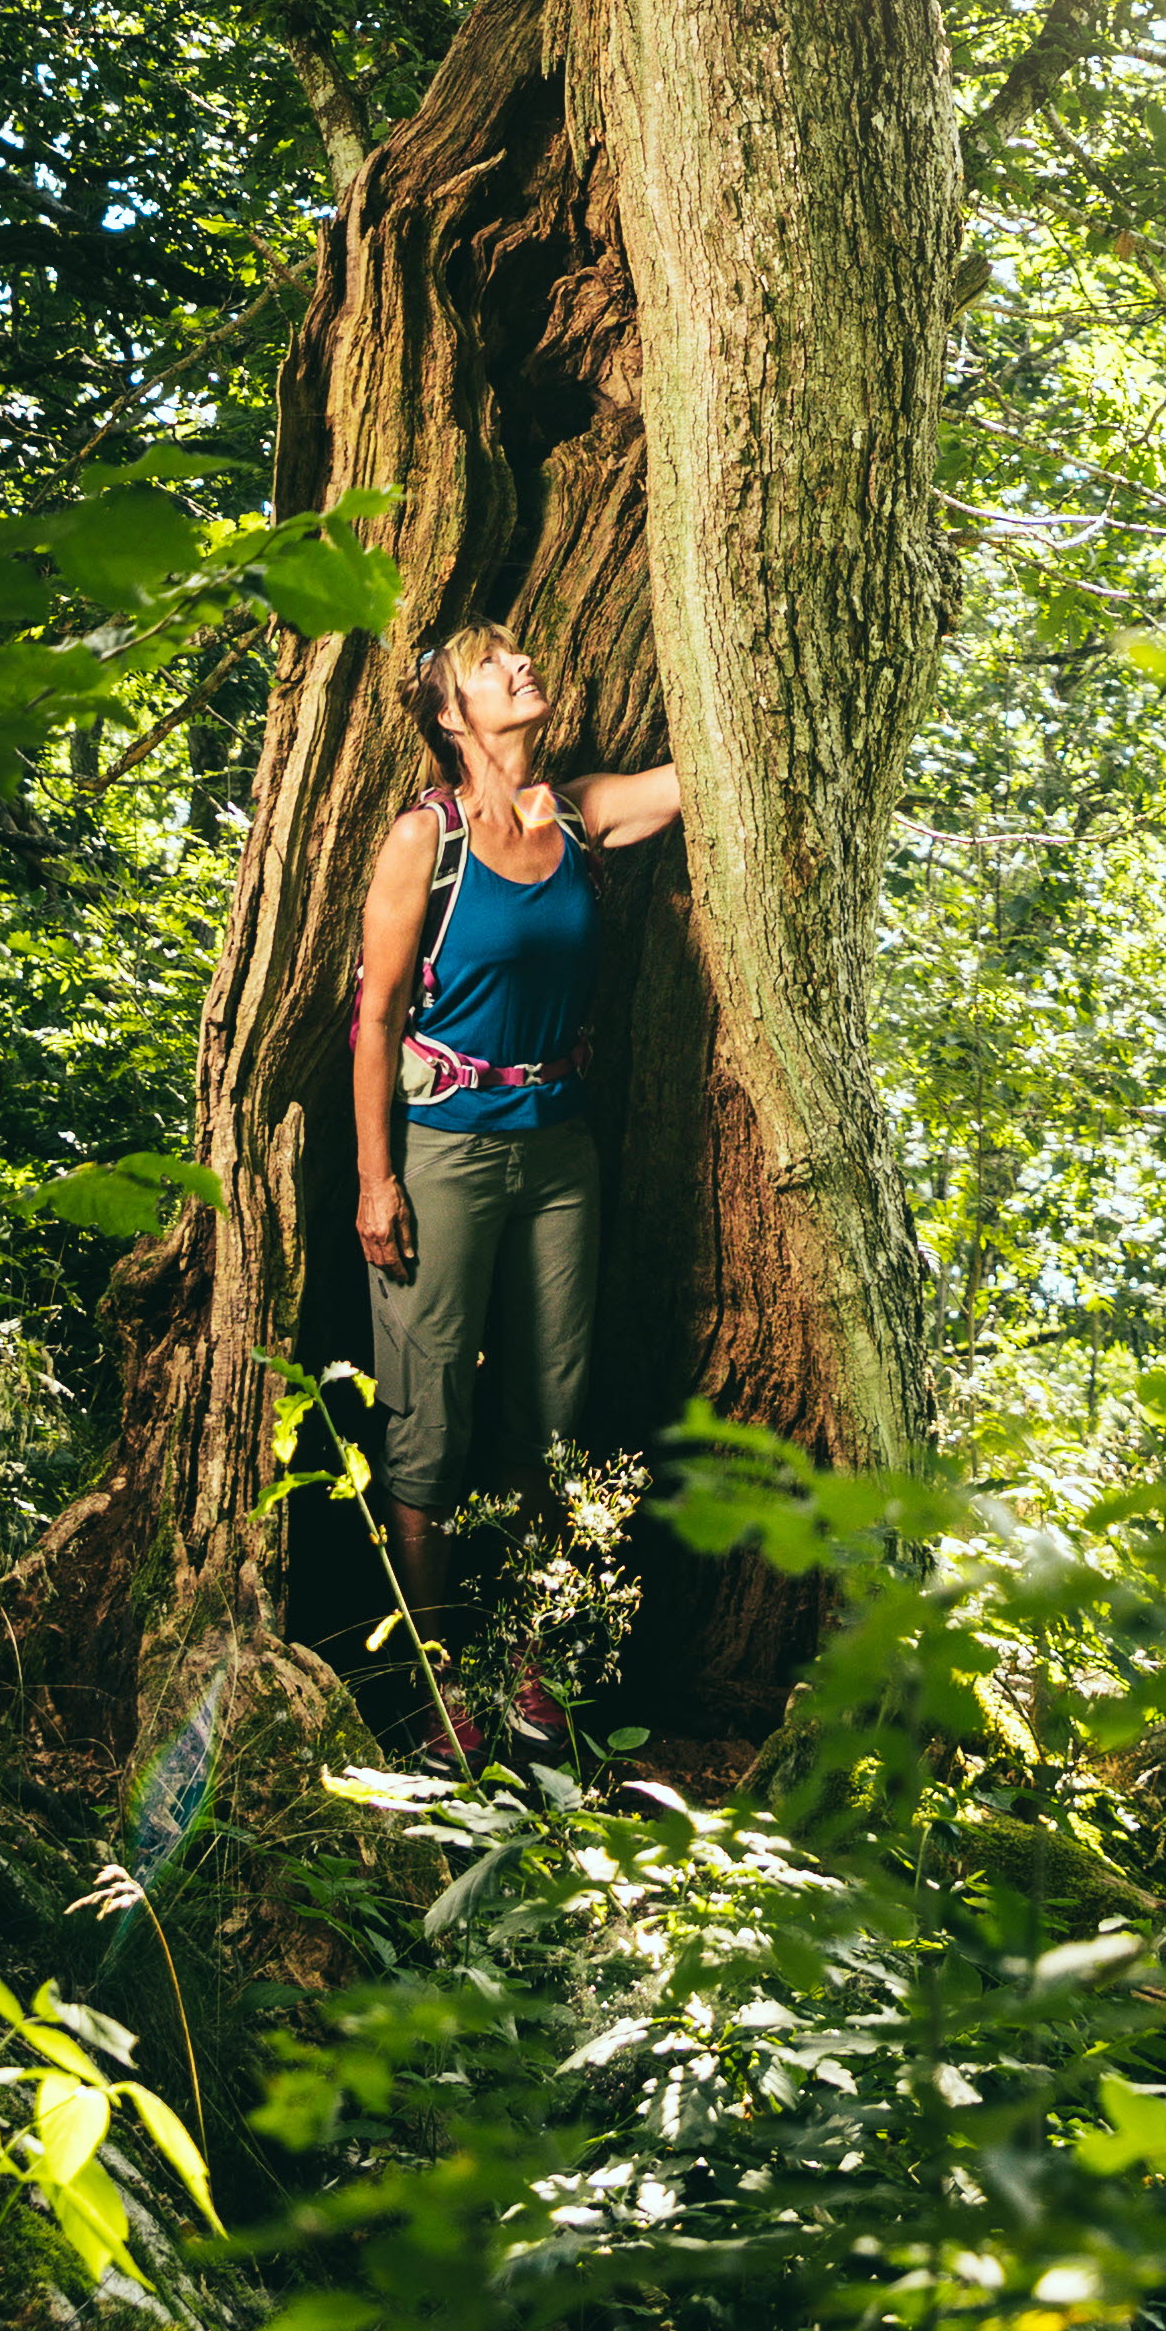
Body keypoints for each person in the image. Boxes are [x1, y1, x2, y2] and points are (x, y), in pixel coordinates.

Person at [349, 621, 680, 1753]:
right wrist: (374, 1181)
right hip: (440, 1152)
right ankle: (440, 1694)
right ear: (451, 713)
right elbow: (378, 1019)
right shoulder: (424, 839)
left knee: (552, 1413)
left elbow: (712, 771)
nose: (523, 667)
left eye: (523, 657)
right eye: (494, 665)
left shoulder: (583, 816)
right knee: (429, 1420)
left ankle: (525, 1674)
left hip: (558, 1157)